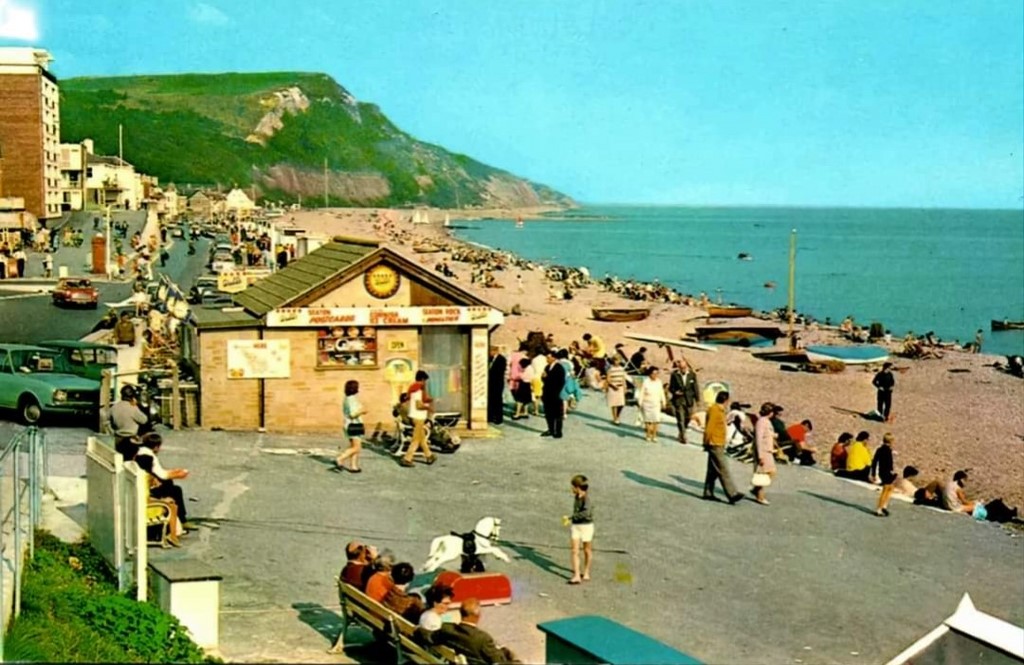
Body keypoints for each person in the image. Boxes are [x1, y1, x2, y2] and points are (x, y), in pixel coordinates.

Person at [417, 597, 520, 664]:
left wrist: (417, 629)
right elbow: (497, 661)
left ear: (461, 613)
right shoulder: (483, 638)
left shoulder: (447, 629)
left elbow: (428, 636)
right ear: (478, 616)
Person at [134, 433, 195, 532]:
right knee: (176, 490)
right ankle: (182, 520)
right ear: (156, 447)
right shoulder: (149, 456)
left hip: (143, 485)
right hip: (148, 490)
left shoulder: (139, 452)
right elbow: (162, 474)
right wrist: (178, 474)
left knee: (170, 485)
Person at [703, 391, 744, 504]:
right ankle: (732, 493)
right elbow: (709, 428)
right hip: (714, 443)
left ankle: (708, 492)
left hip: (718, 442)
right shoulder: (715, 410)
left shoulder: (718, 410)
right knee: (723, 468)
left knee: (713, 470)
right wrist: (706, 443)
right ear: (726, 400)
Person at [401, 371, 436, 467]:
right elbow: (419, 405)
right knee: (416, 440)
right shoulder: (417, 390)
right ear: (422, 380)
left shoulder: (414, 389)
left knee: (422, 439)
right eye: (425, 381)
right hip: (418, 417)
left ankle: (429, 455)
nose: (425, 383)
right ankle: (407, 459)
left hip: (415, 416)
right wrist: (428, 408)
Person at [565, 474, 593, 585]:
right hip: (576, 526)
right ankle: (577, 575)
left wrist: (571, 517)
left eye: (573, 487)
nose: (571, 489)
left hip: (586, 526)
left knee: (587, 550)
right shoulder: (576, 497)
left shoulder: (587, 500)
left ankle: (586, 571)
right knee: (575, 551)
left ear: (577, 487)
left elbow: (586, 513)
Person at [109, 384, 149, 460]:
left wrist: (112, 431)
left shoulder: (114, 407)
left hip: (118, 438)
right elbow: (144, 420)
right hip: (132, 439)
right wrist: (137, 405)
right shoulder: (133, 408)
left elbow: (107, 421)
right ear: (133, 396)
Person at [336, 380, 365, 473]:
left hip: (349, 424)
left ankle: (354, 466)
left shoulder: (347, 398)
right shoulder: (352, 399)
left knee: (354, 445)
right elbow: (352, 414)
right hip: (354, 424)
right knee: (357, 447)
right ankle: (340, 458)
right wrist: (362, 411)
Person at [668, 359, 699, 444]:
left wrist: (697, 399)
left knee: (688, 417)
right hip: (679, 400)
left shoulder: (692, 375)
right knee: (680, 418)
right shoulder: (674, 375)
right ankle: (683, 435)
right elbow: (671, 387)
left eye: (684, 367)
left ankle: (682, 431)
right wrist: (675, 392)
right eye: (681, 368)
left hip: (689, 400)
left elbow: (695, 387)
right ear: (679, 368)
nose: (683, 369)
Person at [752, 403, 777, 506]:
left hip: (767, 450)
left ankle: (756, 489)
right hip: (763, 451)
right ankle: (760, 496)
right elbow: (759, 438)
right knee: (764, 473)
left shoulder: (765, 421)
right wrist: (760, 455)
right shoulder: (762, 422)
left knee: (769, 472)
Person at [871, 433, 898, 517]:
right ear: (891, 441)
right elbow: (889, 463)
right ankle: (880, 508)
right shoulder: (888, 450)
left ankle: (883, 506)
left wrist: (873, 473)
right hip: (886, 472)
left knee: (890, 488)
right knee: (886, 489)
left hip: (882, 471)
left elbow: (874, 461)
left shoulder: (880, 449)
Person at [636, 366, 665, 442]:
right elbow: (642, 392)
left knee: (656, 420)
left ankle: (654, 435)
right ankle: (648, 434)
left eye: (656, 374)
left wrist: (663, 401)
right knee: (648, 420)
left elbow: (661, 392)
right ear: (650, 374)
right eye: (653, 374)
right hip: (647, 403)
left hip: (656, 403)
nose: (655, 375)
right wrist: (640, 402)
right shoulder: (646, 382)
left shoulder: (659, 382)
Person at [541, 352, 566, 439]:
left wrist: (547, 378)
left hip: (555, 394)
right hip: (547, 394)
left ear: (554, 358)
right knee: (548, 413)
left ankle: (558, 431)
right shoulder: (547, 367)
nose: (547, 359)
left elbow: (559, 382)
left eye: (548, 357)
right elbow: (545, 378)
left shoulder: (559, 368)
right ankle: (550, 429)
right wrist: (544, 377)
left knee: (557, 414)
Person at [603, 355, 627, 425]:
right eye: (616, 360)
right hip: (612, 387)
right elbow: (608, 379)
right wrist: (613, 386)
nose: (617, 362)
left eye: (618, 360)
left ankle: (618, 416)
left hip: (620, 387)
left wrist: (625, 387)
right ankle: (615, 418)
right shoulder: (610, 369)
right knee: (614, 404)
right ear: (613, 361)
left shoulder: (621, 369)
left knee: (621, 404)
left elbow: (623, 378)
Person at [487, 346, 507, 425]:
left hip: (497, 383)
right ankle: (490, 416)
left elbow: (499, 372)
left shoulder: (501, 359)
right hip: (491, 383)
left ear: (495, 351)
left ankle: (499, 418)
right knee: (491, 399)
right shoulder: (490, 359)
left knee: (497, 400)